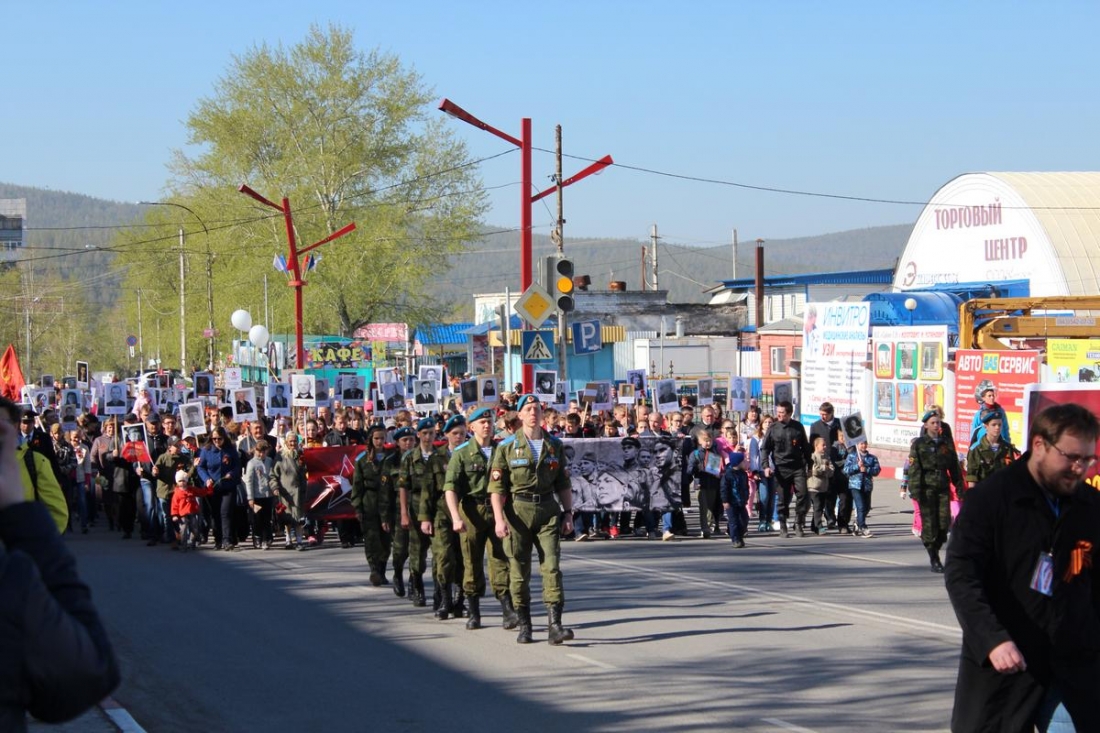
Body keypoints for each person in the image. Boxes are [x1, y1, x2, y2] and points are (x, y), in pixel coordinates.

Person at [946, 403, 1100, 732]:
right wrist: (992, 639)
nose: (1079, 468)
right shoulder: (992, 499)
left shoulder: (1090, 507)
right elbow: (962, 575)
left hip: (1071, 666)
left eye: (1088, 459)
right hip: (1008, 661)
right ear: (1040, 445)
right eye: (1071, 457)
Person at [0, 409, 121, 731]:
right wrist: (30, 537)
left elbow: (56, 508)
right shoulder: (13, 577)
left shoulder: (33, 460)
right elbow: (87, 673)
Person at [489, 394, 575, 645]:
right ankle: (525, 624)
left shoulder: (554, 445)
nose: (533, 413)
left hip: (547, 509)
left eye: (536, 408)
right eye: (528, 409)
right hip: (518, 511)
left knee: (552, 567)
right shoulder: (506, 447)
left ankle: (555, 625)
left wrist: (568, 513)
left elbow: (563, 483)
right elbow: (497, 489)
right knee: (519, 570)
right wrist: (499, 520)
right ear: (520, 415)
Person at [398, 418, 448, 609]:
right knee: (417, 551)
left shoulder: (441, 455)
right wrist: (404, 513)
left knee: (439, 552)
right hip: (416, 507)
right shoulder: (410, 458)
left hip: (438, 509)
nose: (428, 437)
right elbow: (403, 486)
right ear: (418, 435)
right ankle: (417, 584)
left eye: (431, 433)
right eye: (424, 433)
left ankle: (439, 592)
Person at [906, 409, 963, 572]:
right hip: (926, 489)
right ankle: (934, 557)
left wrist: (959, 486)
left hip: (943, 488)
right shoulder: (919, 444)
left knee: (944, 524)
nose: (936, 425)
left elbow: (954, 467)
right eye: (933, 423)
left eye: (938, 422)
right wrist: (915, 490)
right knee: (930, 525)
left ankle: (935, 547)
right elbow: (914, 469)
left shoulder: (946, 443)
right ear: (926, 425)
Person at [761, 400, 811, 538]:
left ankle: (799, 522)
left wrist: (810, 465)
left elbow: (805, 448)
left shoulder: (798, 427)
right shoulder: (773, 428)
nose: (778, 415)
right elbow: (765, 449)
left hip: (797, 467)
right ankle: (783, 524)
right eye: (777, 412)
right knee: (783, 499)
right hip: (781, 468)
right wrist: (766, 466)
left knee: (803, 495)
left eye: (782, 412)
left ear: (789, 413)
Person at [351, 425, 391, 586]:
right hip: (369, 502)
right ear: (371, 439)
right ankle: (374, 570)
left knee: (386, 540)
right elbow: (357, 485)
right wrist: (358, 507)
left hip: (387, 502)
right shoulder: (362, 459)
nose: (379, 441)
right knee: (371, 539)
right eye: (376, 438)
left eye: (382, 438)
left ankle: (382, 570)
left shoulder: (391, 457)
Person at [965, 413, 1019, 498]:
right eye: (994, 425)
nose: (997, 428)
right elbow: (972, 477)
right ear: (986, 426)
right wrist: (972, 499)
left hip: (1002, 496)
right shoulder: (976, 449)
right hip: (983, 496)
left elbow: (1011, 475)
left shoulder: (1007, 448)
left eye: (999, 425)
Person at [268, 432, 306, 551]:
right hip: (285, 492)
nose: (293, 443)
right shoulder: (280, 456)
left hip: (299, 492)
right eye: (290, 441)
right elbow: (273, 474)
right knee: (287, 518)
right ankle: (288, 539)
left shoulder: (301, 454)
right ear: (286, 442)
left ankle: (299, 541)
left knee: (299, 518)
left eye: (295, 441)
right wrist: (275, 487)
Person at [842, 440, 881, 537]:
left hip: (867, 486)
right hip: (855, 485)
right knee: (860, 506)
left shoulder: (872, 458)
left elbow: (877, 470)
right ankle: (863, 527)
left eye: (865, 443)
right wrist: (857, 466)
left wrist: (866, 469)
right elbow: (846, 470)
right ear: (857, 445)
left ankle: (857, 522)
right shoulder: (852, 456)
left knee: (867, 507)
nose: (863, 446)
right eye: (861, 444)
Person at [719, 451, 749, 548]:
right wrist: (725, 501)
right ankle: (735, 539)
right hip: (731, 503)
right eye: (743, 461)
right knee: (734, 521)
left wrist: (746, 497)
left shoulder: (743, 474)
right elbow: (724, 489)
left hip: (741, 502)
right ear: (738, 463)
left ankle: (740, 536)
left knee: (744, 519)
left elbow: (746, 487)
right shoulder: (728, 475)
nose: (745, 462)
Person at [806, 435, 834, 535]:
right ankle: (819, 526)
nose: (825, 447)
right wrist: (824, 468)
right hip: (814, 487)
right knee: (817, 507)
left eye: (825, 445)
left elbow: (831, 470)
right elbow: (813, 470)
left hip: (823, 487)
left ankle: (813, 526)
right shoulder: (812, 457)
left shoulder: (826, 457)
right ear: (816, 446)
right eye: (823, 445)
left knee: (820, 508)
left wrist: (826, 470)